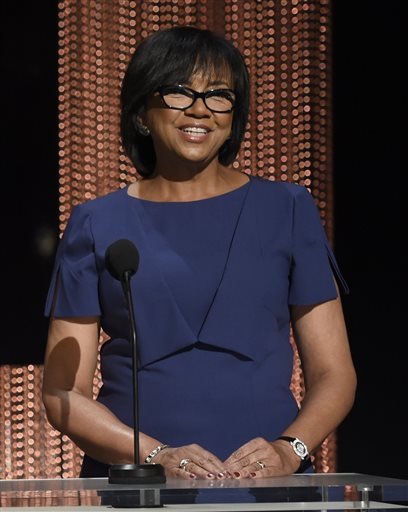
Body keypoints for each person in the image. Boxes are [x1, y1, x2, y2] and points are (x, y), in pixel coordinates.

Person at [42, 25, 356, 482]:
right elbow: (61, 392)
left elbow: (335, 374)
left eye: (218, 95)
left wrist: (290, 451)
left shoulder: (287, 208)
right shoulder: (96, 223)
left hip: (269, 489)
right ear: (142, 113)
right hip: (142, 490)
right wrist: (156, 456)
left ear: (234, 114)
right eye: (178, 92)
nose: (200, 109)